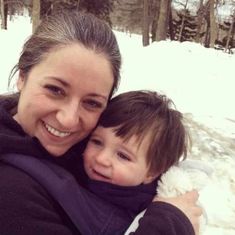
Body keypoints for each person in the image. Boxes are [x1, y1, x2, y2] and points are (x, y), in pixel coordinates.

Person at [0, 9, 201, 235]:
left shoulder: (81, 149)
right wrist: (170, 223)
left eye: (92, 103)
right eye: (55, 90)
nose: (68, 119)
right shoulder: (10, 191)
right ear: (22, 77)